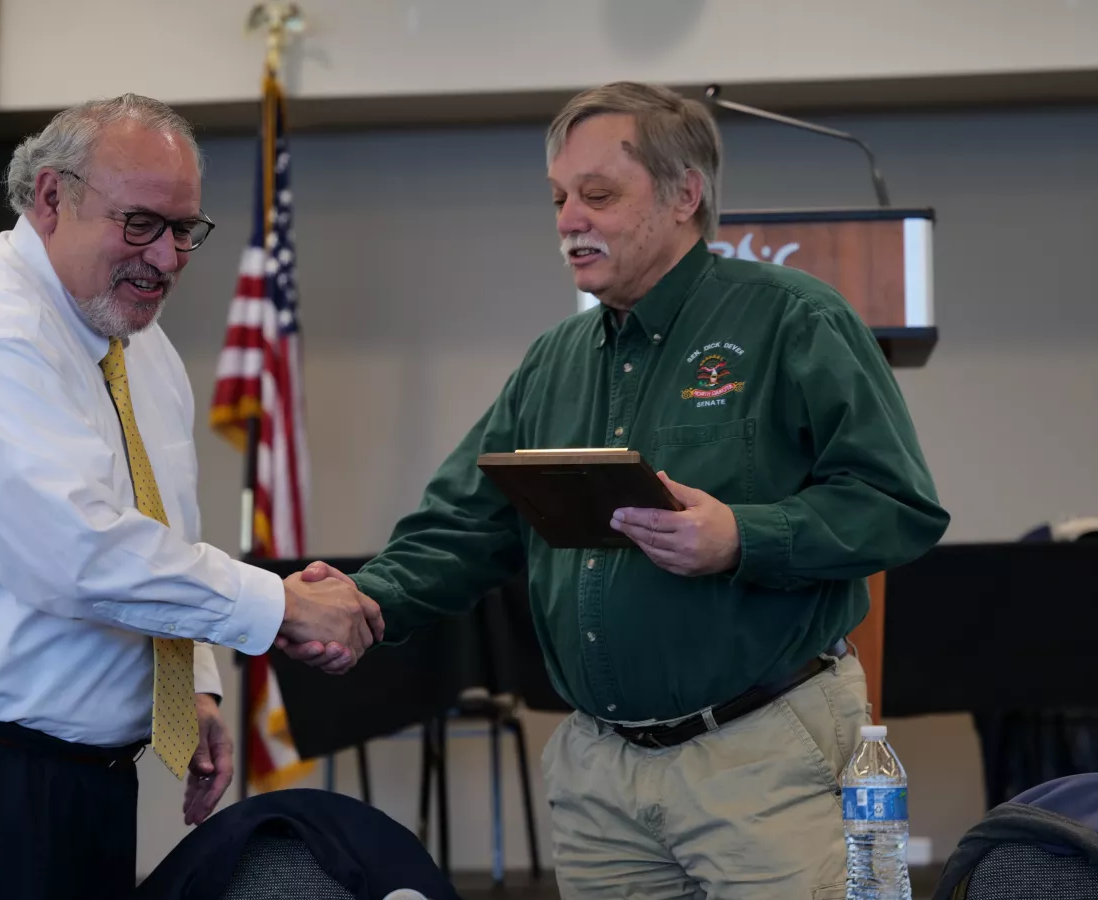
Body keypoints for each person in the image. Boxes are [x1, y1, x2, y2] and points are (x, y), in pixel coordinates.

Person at [286, 82, 950, 898]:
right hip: (601, 777)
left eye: (598, 195)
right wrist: (367, 599)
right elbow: (467, 525)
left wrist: (740, 538)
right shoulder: (554, 360)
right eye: (559, 198)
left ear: (684, 195)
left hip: (763, 756)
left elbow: (898, 505)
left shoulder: (793, 320)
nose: (569, 219)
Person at [0, 94, 379, 899]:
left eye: (184, 229)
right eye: (140, 224)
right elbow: (78, 554)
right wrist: (279, 605)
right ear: (50, 198)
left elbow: (158, 532)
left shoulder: (138, 344)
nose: (166, 258)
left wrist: (192, 684)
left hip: (75, 778)